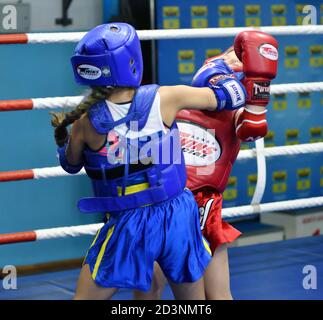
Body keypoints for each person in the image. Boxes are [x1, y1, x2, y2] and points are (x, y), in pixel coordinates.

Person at [50, 22, 247, 300]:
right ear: (131, 61)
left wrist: (64, 145)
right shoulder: (165, 98)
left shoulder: (86, 123)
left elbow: (70, 164)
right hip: (177, 214)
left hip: (128, 221)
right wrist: (220, 67)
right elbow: (232, 96)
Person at [134, 31, 278, 300]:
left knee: (219, 295)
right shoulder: (181, 99)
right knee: (150, 285)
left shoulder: (240, 114)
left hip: (205, 211)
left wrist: (258, 90)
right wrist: (224, 66)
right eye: (232, 58)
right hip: (165, 206)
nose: (236, 63)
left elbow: (253, 128)